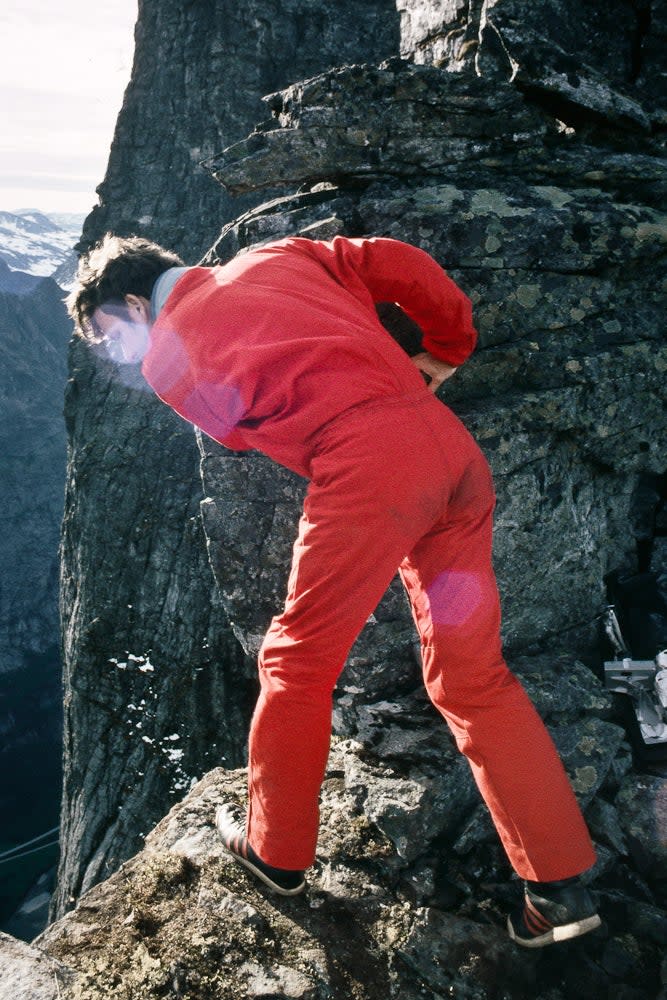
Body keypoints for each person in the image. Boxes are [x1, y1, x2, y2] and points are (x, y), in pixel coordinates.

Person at [67, 232, 601, 947]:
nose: (118, 352)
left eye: (111, 334)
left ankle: (275, 854)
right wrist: (445, 347)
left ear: (134, 301)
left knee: (296, 660)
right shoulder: (280, 254)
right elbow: (399, 263)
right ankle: (556, 890)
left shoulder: (168, 359)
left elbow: (232, 433)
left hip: (366, 466)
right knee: (473, 678)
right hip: (449, 451)